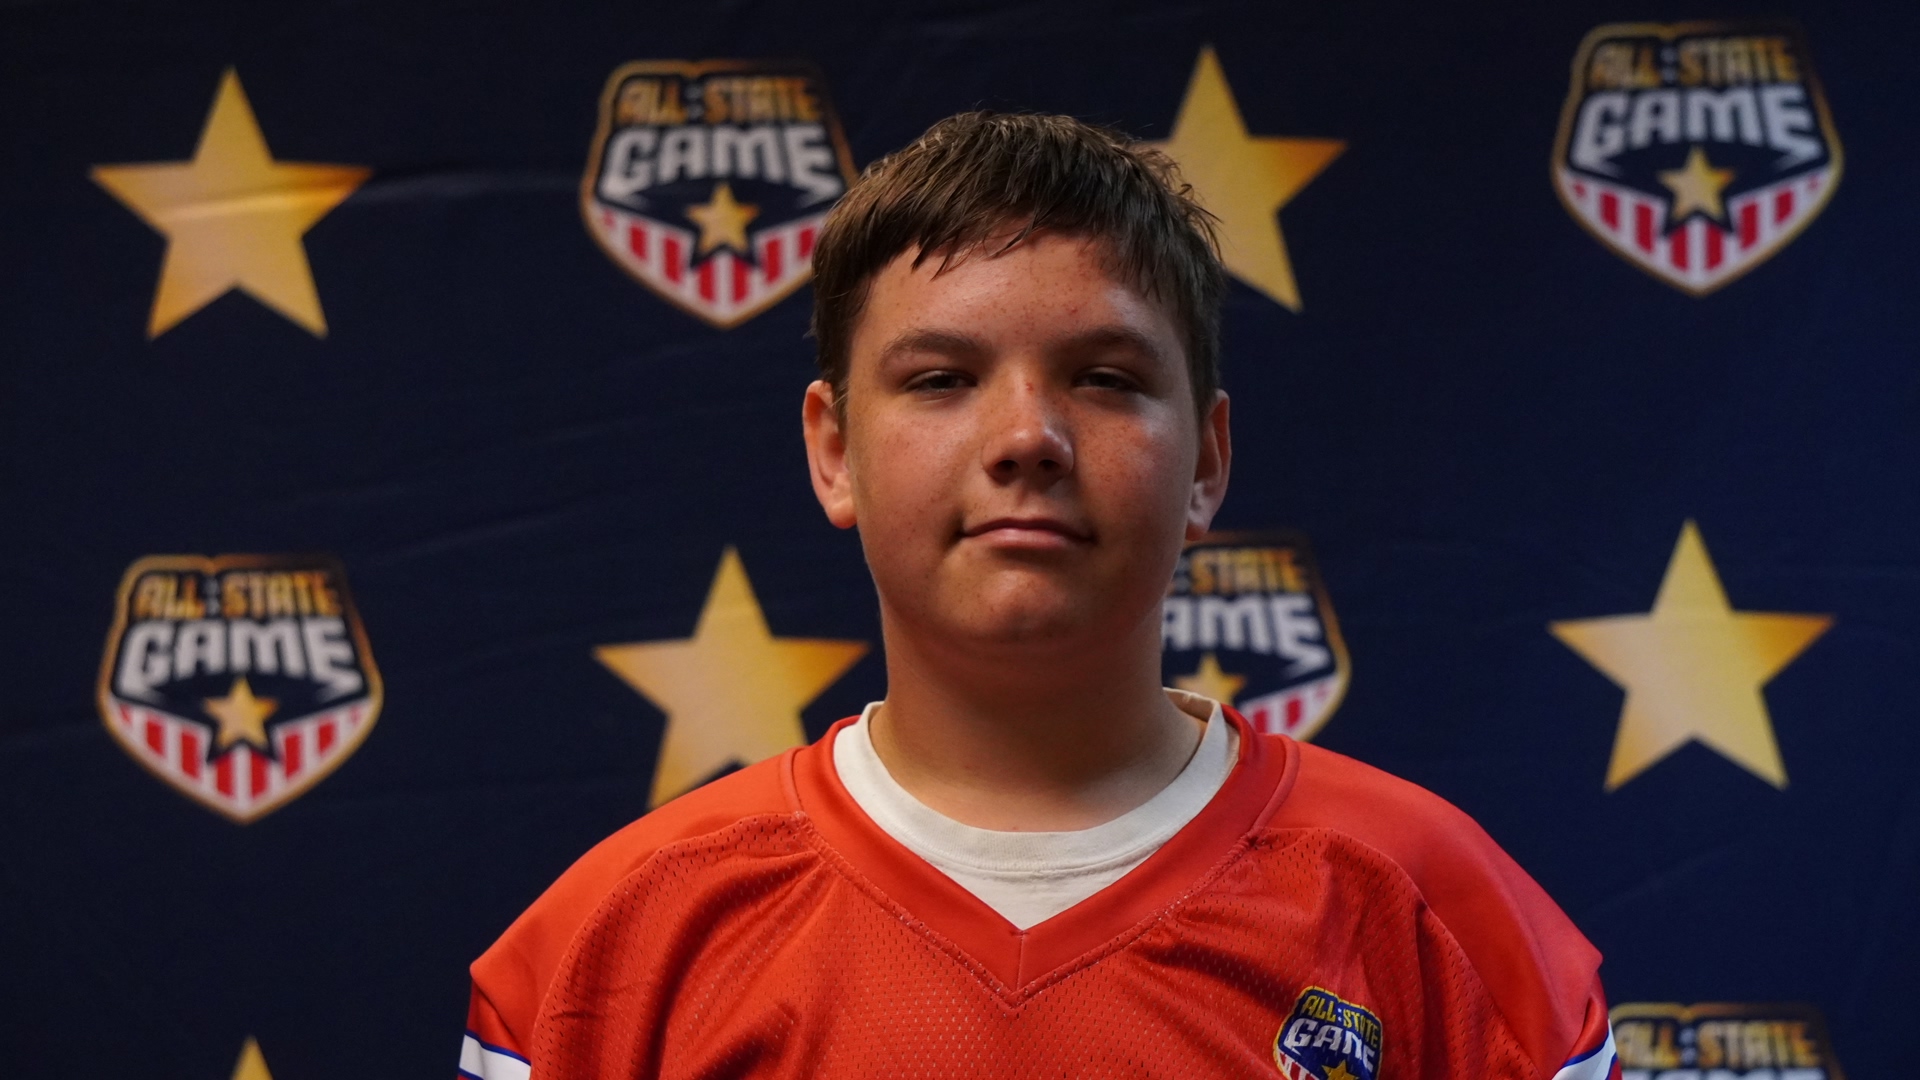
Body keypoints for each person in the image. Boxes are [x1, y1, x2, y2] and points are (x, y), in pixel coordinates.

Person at [459, 112, 1615, 1080]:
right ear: (834, 451)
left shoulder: (1434, 913)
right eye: (942, 379)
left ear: (1207, 461)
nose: (1027, 436)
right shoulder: (615, 948)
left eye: (1105, 378)